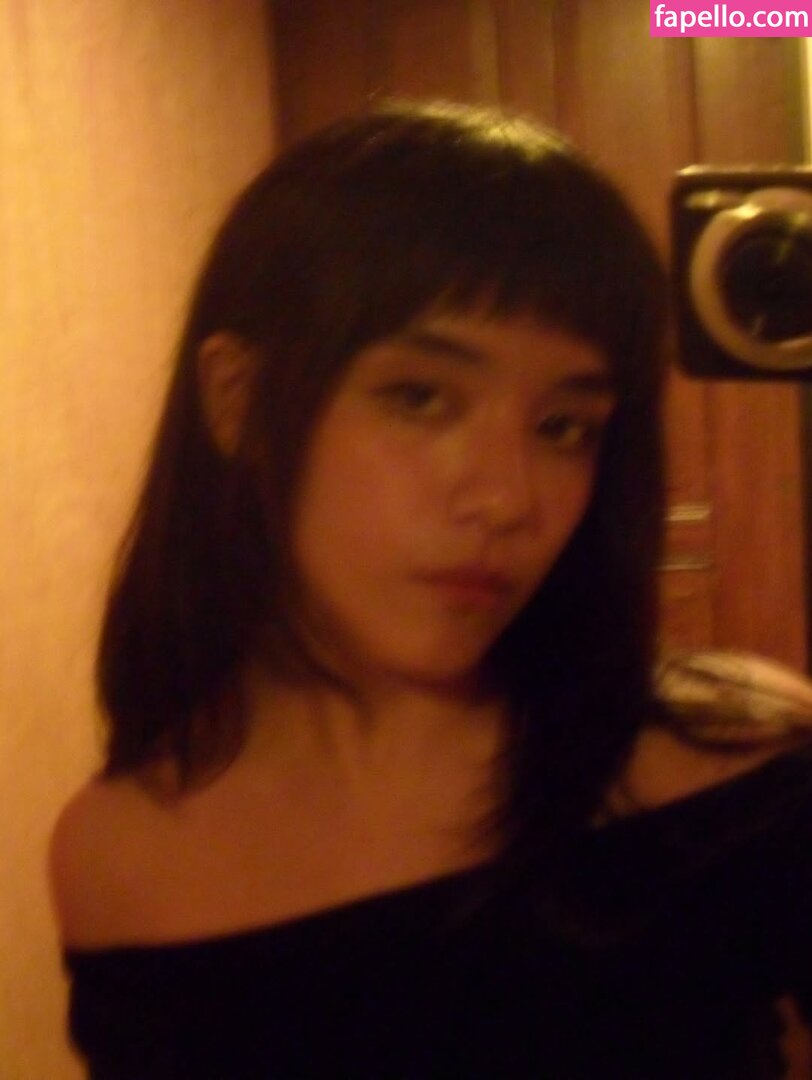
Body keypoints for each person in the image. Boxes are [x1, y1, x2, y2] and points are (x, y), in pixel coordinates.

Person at [49, 100, 812, 1078]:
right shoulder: (120, 858)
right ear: (239, 400)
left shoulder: (728, 761)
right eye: (419, 398)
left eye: (563, 427)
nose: (506, 498)